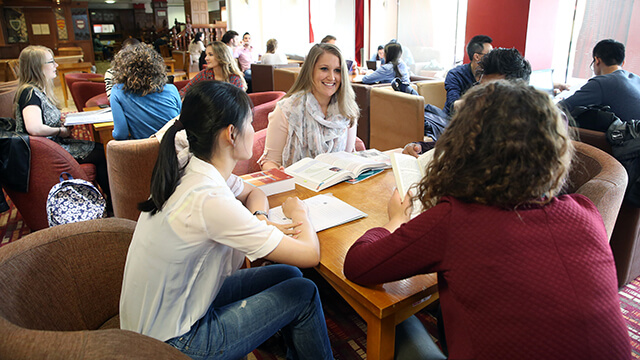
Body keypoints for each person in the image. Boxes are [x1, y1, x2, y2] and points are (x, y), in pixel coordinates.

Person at [344, 80, 632, 360]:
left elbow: (358, 265)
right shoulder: (584, 213)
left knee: (400, 321)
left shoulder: (455, 220)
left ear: (463, 148)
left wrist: (395, 221)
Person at [120, 80, 333, 360]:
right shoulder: (208, 199)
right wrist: (300, 213)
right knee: (303, 292)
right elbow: (310, 254)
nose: (254, 130)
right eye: (250, 123)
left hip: (165, 315)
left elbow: (253, 192)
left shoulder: (192, 166)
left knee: (288, 274)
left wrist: (260, 219)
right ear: (231, 134)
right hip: (174, 343)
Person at [13, 45, 110, 204]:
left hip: (52, 145)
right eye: (51, 62)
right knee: (101, 152)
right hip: (45, 151)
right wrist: (60, 131)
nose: (56, 65)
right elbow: (34, 128)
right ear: (37, 67)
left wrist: (62, 121)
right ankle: (112, 203)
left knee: (99, 148)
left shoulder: (36, 90)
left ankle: (107, 201)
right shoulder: (29, 93)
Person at [403, 47, 532, 157]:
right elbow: (457, 145)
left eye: (493, 93)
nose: (483, 98)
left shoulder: (528, 139)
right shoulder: (480, 119)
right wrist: (420, 148)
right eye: (481, 89)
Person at [259, 43, 360, 170]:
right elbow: (269, 161)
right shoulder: (287, 109)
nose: (331, 77)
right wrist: (278, 175)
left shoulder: (348, 109)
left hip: (337, 186)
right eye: (324, 69)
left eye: (337, 70)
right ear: (310, 71)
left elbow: (348, 156)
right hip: (297, 186)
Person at [110, 43, 181, 140]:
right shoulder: (172, 89)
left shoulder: (118, 91)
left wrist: (113, 132)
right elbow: (181, 123)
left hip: (143, 151)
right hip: (173, 149)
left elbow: (120, 135)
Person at [559, 39, 640, 123]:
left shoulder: (601, 83)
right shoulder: (636, 79)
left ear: (597, 60)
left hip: (626, 135)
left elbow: (562, 107)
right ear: (622, 63)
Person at [443, 34, 493, 115]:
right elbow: (453, 104)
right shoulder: (456, 74)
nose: (492, 58)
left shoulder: (491, 75)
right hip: (455, 119)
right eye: (489, 54)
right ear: (477, 56)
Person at [180, 41, 247, 97]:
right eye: (206, 55)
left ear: (222, 56)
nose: (206, 58)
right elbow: (184, 91)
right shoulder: (205, 74)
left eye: (210, 55)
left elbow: (239, 106)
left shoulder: (234, 79)